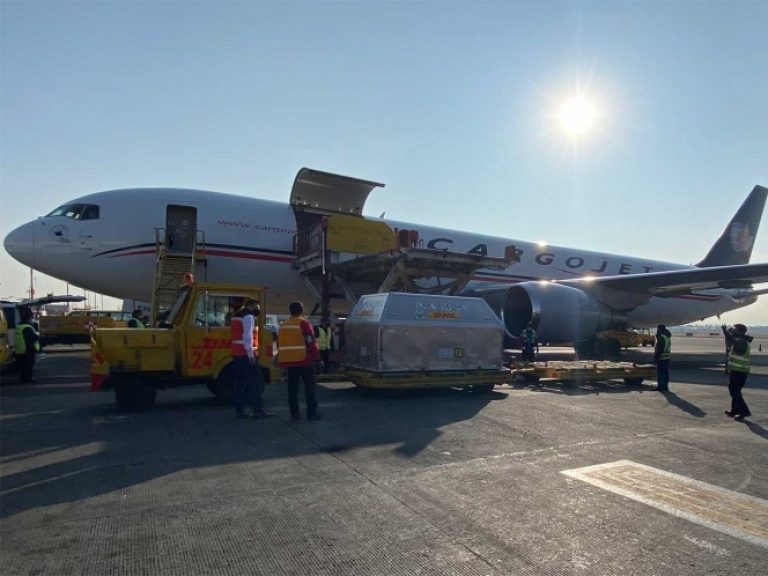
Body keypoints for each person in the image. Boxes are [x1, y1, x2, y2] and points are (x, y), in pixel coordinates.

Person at [277, 301, 322, 421]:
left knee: (292, 390)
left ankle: (295, 415)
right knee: (309, 389)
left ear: (290, 311)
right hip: (304, 360)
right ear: (302, 310)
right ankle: (311, 414)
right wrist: (316, 357)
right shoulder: (304, 323)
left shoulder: (283, 325)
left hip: (290, 362)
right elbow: (310, 341)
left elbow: (279, 343)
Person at [230, 298, 271, 419]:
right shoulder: (248, 317)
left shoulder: (236, 316)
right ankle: (257, 411)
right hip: (246, 354)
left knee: (239, 383)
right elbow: (247, 336)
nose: (258, 310)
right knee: (255, 383)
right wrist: (251, 355)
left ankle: (239, 411)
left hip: (237, 353)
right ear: (251, 306)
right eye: (256, 307)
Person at [721, 323, 753, 421]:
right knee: (735, 391)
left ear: (740, 331)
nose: (733, 331)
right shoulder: (742, 340)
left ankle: (744, 411)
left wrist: (725, 332)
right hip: (737, 371)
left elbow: (733, 340)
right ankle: (735, 410)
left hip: (740, 371)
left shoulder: (741, 342)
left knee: (735, 391)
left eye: (735, 329)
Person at [14, 306, 40, 383]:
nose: (32, 319)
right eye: (31, 317)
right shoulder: (27, 328)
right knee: (28, 367)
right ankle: (28, 380)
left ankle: (22, 380)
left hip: (19, 351)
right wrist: (37, 337)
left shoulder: (19, 327)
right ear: (28, 318)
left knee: (22, 368)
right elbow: (30, 340)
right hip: (27, 351)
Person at [653, 324, 671, 392]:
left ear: (660, 329)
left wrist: (656, 357)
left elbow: (660, 349)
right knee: (665, 373)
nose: (657, 331)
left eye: (658, 329)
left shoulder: (662, 337)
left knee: (661, 373)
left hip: (662, 358)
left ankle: (661, 387)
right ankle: (665, 387)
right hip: (667, 358)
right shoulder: (667, 337)